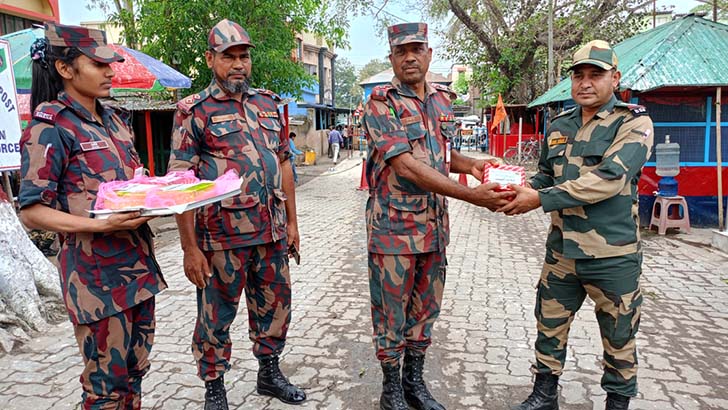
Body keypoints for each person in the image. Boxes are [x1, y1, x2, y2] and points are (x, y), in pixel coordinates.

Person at [362, 22, 512, 410]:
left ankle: (415, 382)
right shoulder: (381, 102)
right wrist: (471, 195)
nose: (410, 57)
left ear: (429, 54)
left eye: (417, 49)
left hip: (433, 228)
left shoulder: (442, 100)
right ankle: (391, 388)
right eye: (401, 51)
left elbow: (441, 155)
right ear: (392, 58)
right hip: (393, 228)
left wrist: (475, 165)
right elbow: (406, 165)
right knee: (391, 312)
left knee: (425, 309)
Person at [18, 22, 167, 409]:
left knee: (135, 371)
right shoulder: (50, 125)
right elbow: (32, 211)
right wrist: (98, 224)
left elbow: (121, 183)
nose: (109, 72)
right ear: (66, 69)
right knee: (105, 385)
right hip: (95, 280)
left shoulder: (115, 119)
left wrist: (145, 186)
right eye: (98, 64)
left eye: (110, 64)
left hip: (137, 266)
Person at [499, 40, 654, 410]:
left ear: (614, 78)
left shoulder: (634, 123)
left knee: (619, 335)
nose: (585, 83)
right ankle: (544, 394)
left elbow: (610, 178)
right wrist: (513, 189)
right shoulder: (560, 124)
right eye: (579, 75)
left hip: (612, 255)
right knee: (549, 325)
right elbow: (543, 176)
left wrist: (540, 199)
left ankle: (617, 402)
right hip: (562, 252)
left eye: (596, 75)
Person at [167, 19, 306, 409]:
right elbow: (181, 181)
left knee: (275, 306)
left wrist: (292, 222)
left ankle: (269, 373)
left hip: (271, 234)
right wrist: (189, 248)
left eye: (244, 56)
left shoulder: (268, 103)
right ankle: (214, 388)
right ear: (211, 59)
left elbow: (283, 164)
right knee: (215, 318)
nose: (239, 64)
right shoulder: (193, 111)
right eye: (229, 57)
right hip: (220, 239)